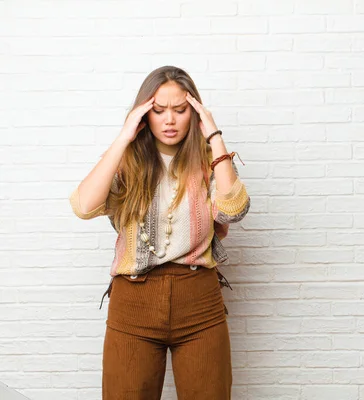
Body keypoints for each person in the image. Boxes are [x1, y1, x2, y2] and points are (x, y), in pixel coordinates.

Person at [68, 65, 250, 399]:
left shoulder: (210, 160)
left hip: (199, 302)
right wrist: (124, 137)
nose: (169, 120)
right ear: (143, 114)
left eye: (180, 110)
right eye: (158, 110)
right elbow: (83, 206)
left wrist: (213, 135)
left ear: (193, 113)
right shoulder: (127, 162)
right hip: (133, 303)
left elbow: (234, 209)